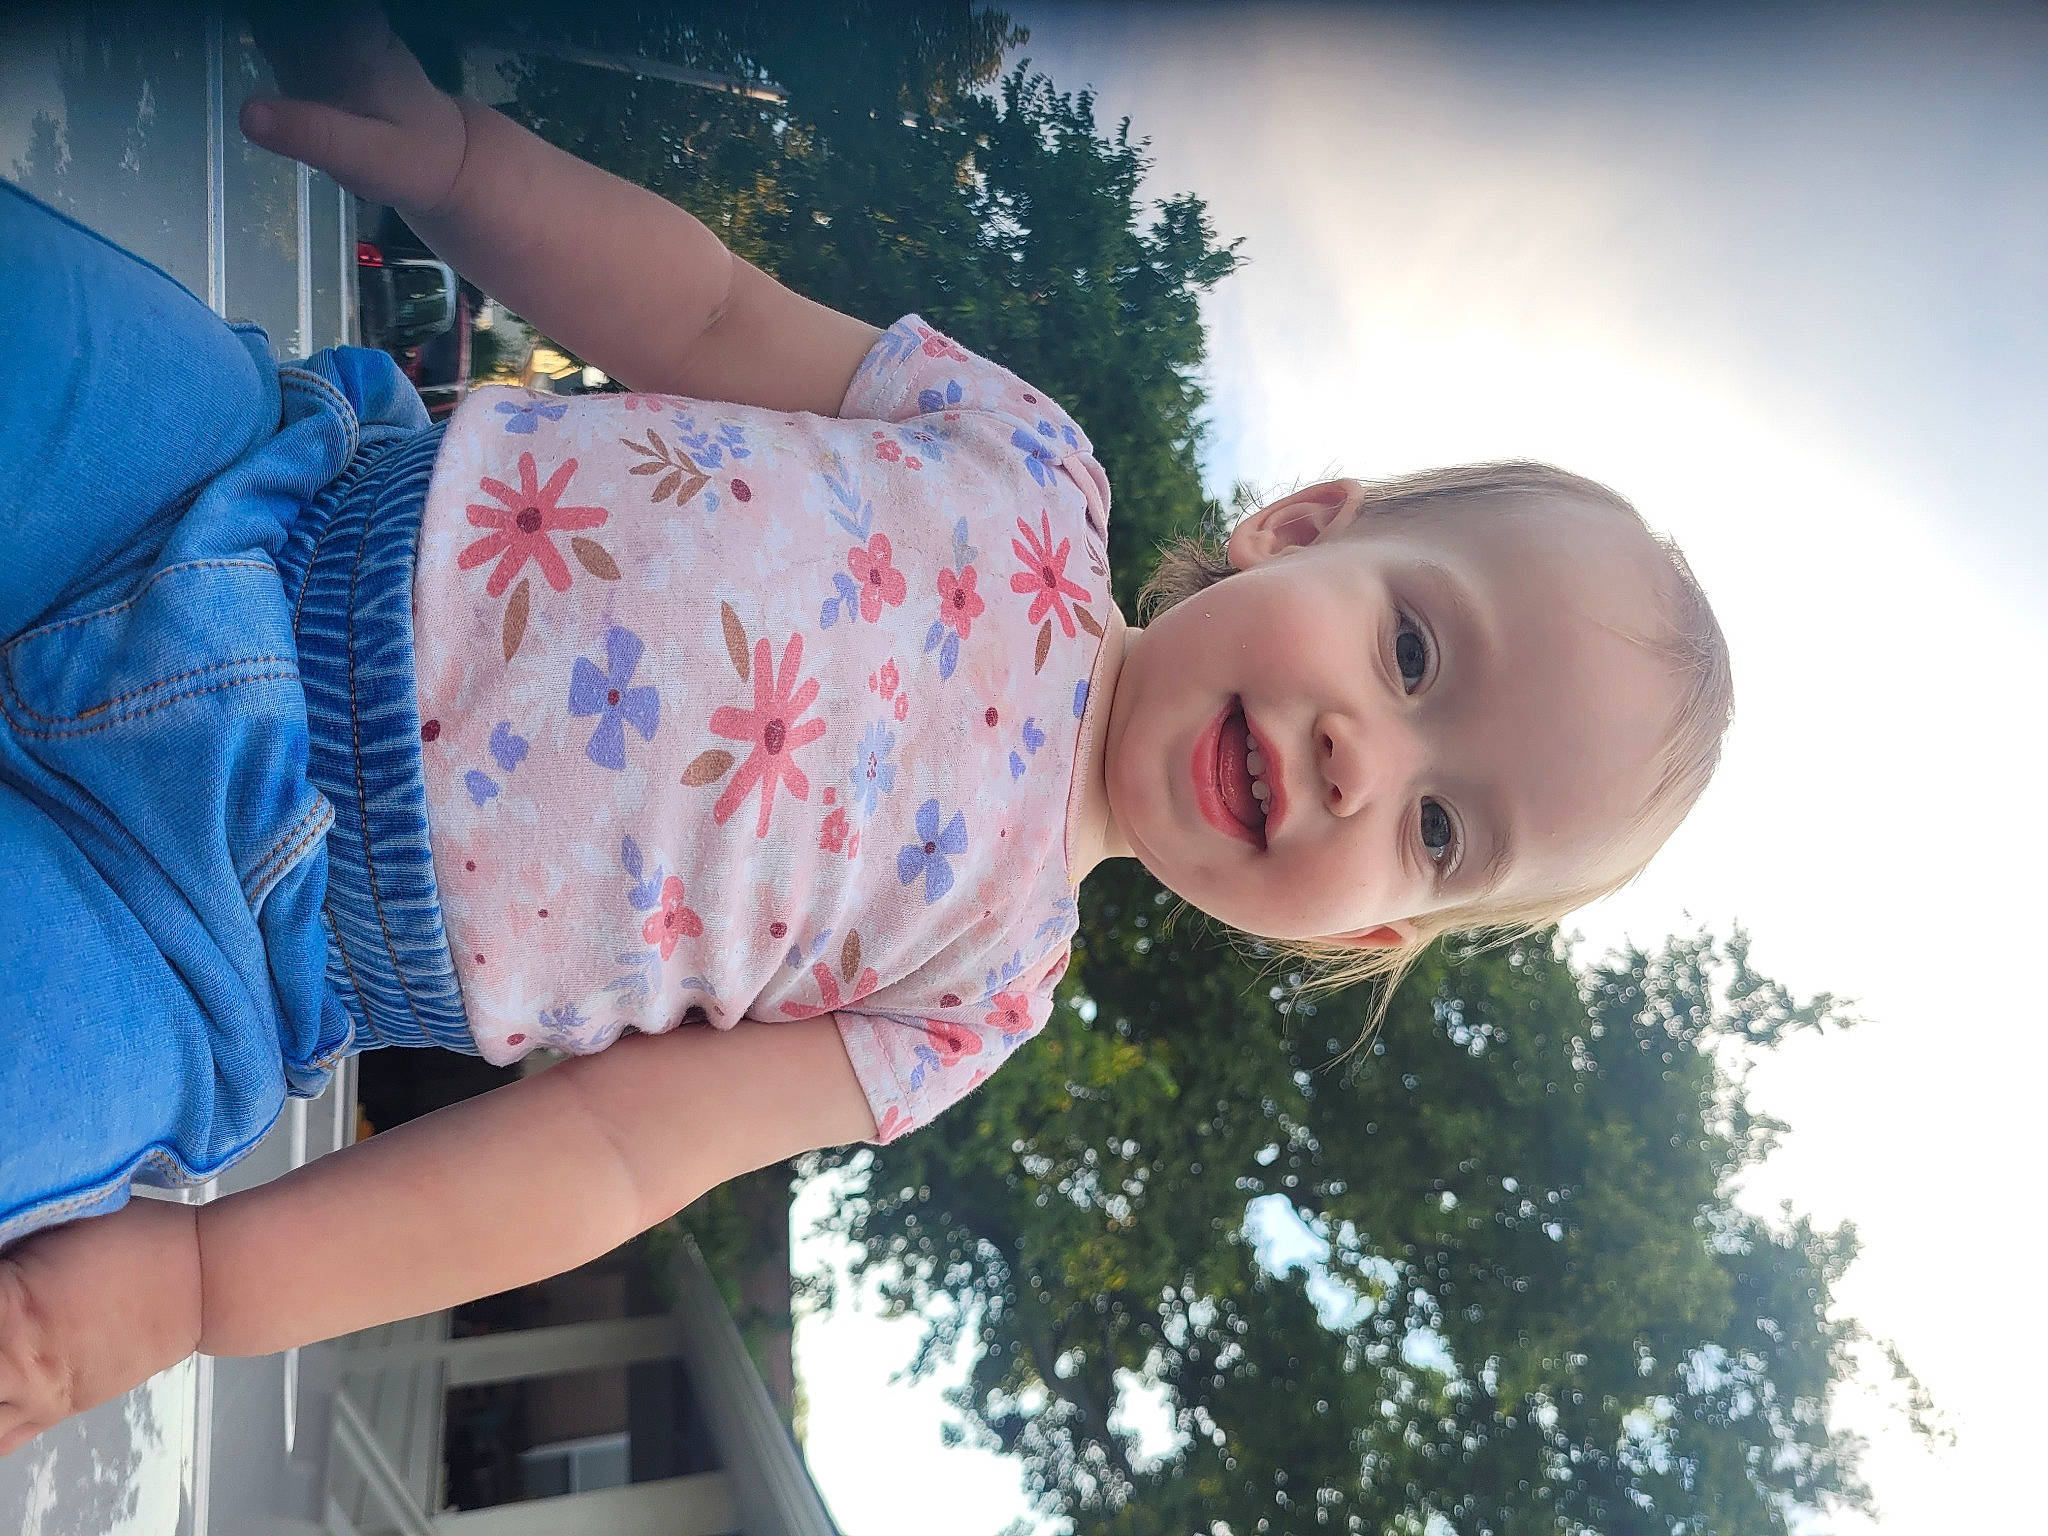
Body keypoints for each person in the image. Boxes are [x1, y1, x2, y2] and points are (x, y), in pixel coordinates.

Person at [0, 2, 1731, 1452]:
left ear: (1365, 928)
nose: (1372, 758)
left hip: (218, 943)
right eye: (1417, 649)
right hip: (247, 487)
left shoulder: (970, 1002)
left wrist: (199, 1289)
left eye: (1440, 830)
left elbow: (599, 1154)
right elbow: (705, 313)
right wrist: (467, 170)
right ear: (1305, 524)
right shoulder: (1031, 463)